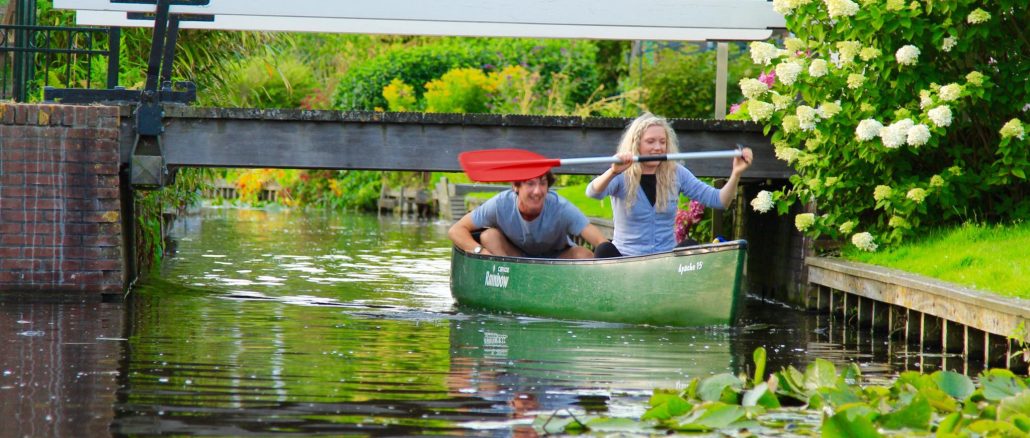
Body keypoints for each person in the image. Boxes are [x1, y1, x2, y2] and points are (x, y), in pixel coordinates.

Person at [586, 112, 754, 257]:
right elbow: (593, 192)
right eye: (650, 142)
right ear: (636, 145)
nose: (658, 147)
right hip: (627, 260)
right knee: (603, 249)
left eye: (662, 141)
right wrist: (613, 171)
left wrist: (736, 173)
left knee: (691, 246)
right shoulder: (622, 174)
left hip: (665, 261)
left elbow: (719, 200)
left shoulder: (677, 173)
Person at [449, 171, 608, 259]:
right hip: (514, 259)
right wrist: (480, 252)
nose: (538, 191)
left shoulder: (561, 207)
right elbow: (456, 230)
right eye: (530, 183)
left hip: (557, 261)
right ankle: (507, 283)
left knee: (584, 254)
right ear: (515, 187)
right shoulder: (500, 204)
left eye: (543, 183)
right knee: (489, 236)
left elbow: (600, 241)